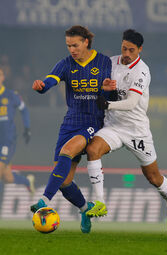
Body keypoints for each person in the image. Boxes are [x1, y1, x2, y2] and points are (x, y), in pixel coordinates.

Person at [85, 29, 167, 231]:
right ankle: (100, 202)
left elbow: (132, 102)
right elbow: (98, 85)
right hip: (113, 126)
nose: (126, 53)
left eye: (131, 50)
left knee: (153, 177)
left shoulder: (142, 71)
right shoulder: (111, 62)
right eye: (124, 48)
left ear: (140, 50)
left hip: (136, 130)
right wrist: (103, 87)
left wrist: (107, 104)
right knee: (93, 150)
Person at [30, 25, 115, 234]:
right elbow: (52, 79)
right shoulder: (66, 64)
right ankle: (85, 210)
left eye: (75, 45)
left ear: (86, 42)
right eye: (68, 45)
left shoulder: (103, 61)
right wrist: (42, 86)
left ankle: (43, 200)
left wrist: (108, 91)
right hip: (70, 121)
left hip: (92, 121)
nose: (72, 49)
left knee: (66, 151)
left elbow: (111, 95)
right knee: (64, 181)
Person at [0, 68, 34, 194]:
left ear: (3, 78)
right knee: (7, 178)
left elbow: (24, 109)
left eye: (0, 75)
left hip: (7, 140)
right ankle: (27, 181)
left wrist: (27, 127)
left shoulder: (11, 95)